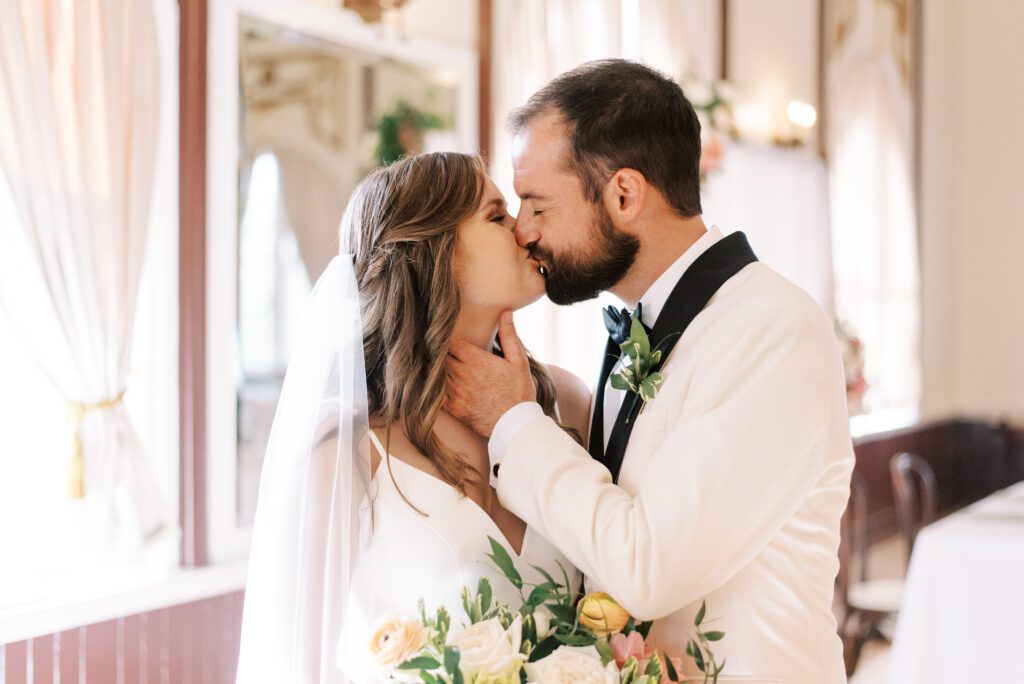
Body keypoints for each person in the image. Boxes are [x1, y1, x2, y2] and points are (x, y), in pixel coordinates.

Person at [446, 59, 854, 683]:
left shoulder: (774, 329)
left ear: (625, 195)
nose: (523, 233)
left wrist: (513, 420)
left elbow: (647, 567)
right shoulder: (644, 324)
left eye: (536, 205)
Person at [236, 152, 586, 683]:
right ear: (436, 254)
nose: (524, 229)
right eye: (496, 216)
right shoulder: (346, 455)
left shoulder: (566, 404)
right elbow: (296, 671)